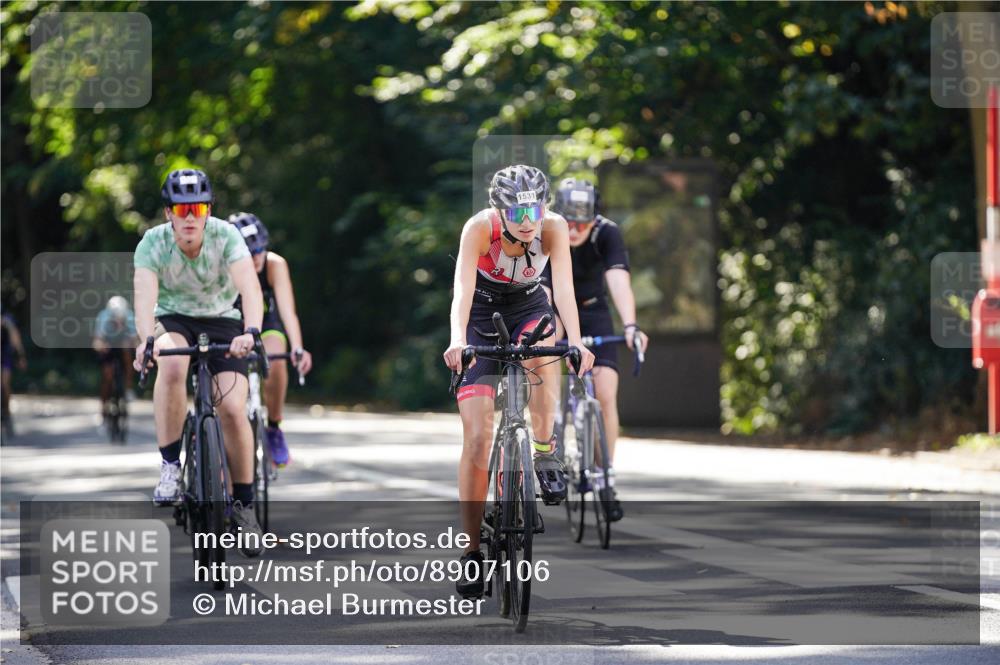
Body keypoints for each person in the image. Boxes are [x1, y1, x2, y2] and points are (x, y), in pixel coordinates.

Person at [442, 164, 595, 597]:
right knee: (476, 436)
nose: (528, 223)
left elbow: (562, 288)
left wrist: (578, 343)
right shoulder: (479, 229)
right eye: (517, 214)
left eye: (534, 211)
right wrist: (457, 340)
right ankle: (472, 552)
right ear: (500, 211)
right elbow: (462, 290)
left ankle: (545, 451)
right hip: (479, 316)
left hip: (529, 307)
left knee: (549, 354)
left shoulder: (553, 227)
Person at [133, 168, 266, 554]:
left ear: (208, 211)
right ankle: (170, 467)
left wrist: (251, 331)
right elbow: (144, 298)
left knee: (233, 410)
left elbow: (250, 289)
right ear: (168, 214)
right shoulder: (153, 244)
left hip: (224, 320)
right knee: (171, 364)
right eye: (181, 208)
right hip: (173, 318)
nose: (190, 216)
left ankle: (243, 506)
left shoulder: (226, 236)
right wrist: (146, 340)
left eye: (198, 207)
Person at [541, 178, 649, 522]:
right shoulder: (548, 230)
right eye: (568, 222)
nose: (573, 230)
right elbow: (543, 289)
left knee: (605, 393)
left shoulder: (608, 233)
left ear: (595, 219)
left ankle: (606, 475)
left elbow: (618, 279)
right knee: (545, 351)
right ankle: (551, 431)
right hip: (555, 307)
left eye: (582, 224)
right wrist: (546, 337)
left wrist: (630, 326)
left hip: (593, 309)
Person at [229, 212, 313, 467]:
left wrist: (298, 347)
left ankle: (274, 426)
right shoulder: (225, 264)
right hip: (232, 324)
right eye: (248, 252)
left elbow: (288, 311)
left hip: (266, 323)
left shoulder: (275, 264)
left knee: (277, 360)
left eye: (259, 250)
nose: (255, 258)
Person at [93, 296, 138, 421]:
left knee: (129, 358)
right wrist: (101, 346)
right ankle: (103, 408)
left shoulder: (129, 316)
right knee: (107, 375)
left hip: (122, 344)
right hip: (108, 345)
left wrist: (136, 348)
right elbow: (97, 340)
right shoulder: (103, 317)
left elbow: (134, 339)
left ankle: (128, 388)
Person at [1, 311, 27, 437]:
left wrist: (20, 355)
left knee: (4, 383)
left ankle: (7, 414)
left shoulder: (7, 319)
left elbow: (16, 338)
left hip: (5, 354)